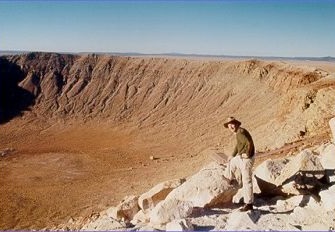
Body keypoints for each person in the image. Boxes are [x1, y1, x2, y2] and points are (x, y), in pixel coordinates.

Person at [223, 116, 255, 212]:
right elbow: (238, 145)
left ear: (236, 124)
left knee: (246, 181)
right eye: (229, 125)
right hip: (241, 157)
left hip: (246, 159)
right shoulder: (238, 133)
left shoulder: (240, 132)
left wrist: (248, 154)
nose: (231, 127)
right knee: (232, 161)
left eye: (232, 124)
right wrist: (232, 155)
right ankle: (228, 177)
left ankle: (249, 204)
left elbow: (249, 143)